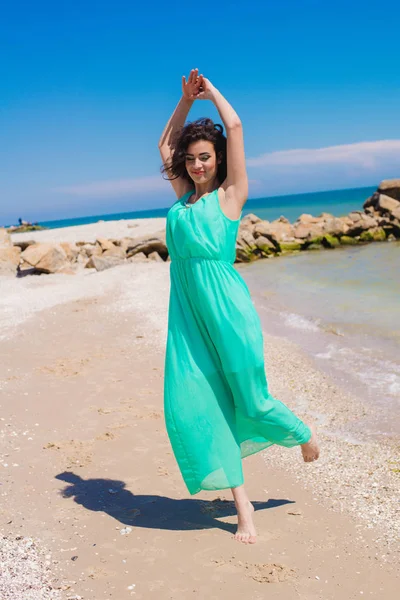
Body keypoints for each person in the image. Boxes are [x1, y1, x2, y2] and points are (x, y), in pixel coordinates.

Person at [159, 69, 320, 544]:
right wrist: (184, 102)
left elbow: (237, 127)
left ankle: (299, 431)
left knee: (250, 398)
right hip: (188, 314)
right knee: (200, 401)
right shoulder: (183, 201)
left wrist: (211, 93)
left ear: (218, 159)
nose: (196, 166)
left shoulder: (232, 196)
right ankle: (243, 508)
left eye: (204, 158)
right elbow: (164, 147)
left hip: (228, 311)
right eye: (191, 160)